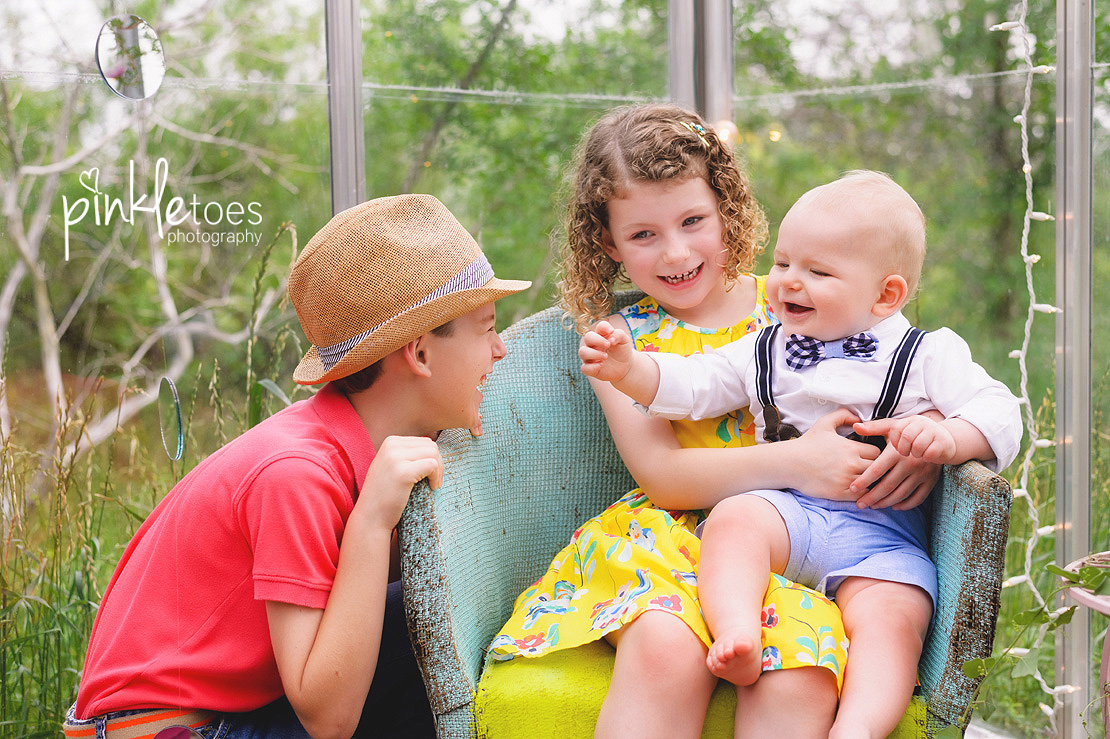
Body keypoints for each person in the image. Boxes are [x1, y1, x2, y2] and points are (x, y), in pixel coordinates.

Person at [489, 104, 941, 739]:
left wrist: (922, 444)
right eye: (642, 234)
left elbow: (905, 367)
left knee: (800, 672)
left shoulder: (796, 300)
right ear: (608, 242)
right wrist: (798, 463)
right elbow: (666, 476)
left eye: (693, 221)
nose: (675, 252)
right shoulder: (620, 345)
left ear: (726, 210)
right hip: (670, 539)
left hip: (794, 545)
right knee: (667, 646)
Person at [65, 194, 530, 739]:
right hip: (161, 728)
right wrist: (373, 520)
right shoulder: (297, 473)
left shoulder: (360, 445)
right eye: (487, 327)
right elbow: (328, 720)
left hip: (237, 709)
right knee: (410, 647)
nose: (500, 350)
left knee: (426, 620)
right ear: (421, 354)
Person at [579, 169, 1022, 738]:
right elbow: (692, 385)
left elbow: (1000, 409)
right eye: (784, 263)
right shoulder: (765, 345)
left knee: (894, 617)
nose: (788, 282)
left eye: (816, 271)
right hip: (788, 513)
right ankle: (736, 629)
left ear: (886, 294)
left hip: (881, 532)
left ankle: (858, 728)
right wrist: (631, 370)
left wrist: (948, 438)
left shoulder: (927, 353)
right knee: (736, 520)